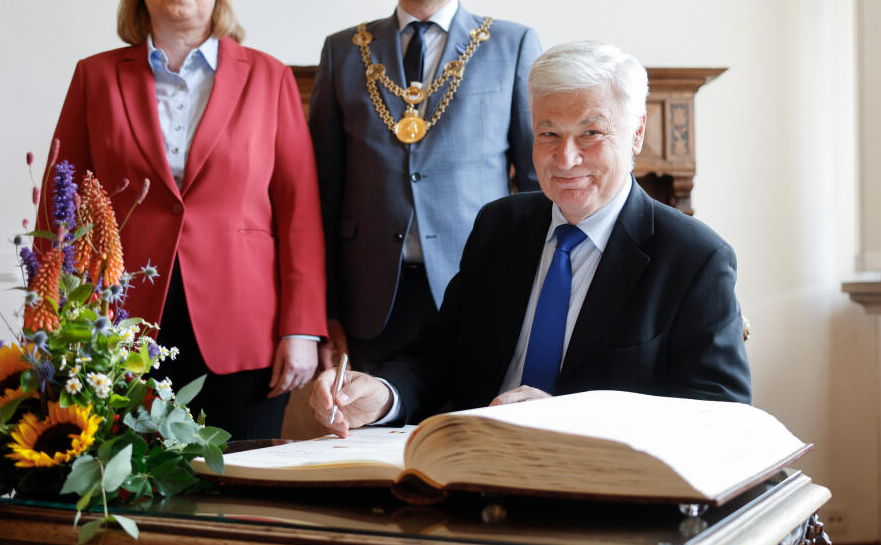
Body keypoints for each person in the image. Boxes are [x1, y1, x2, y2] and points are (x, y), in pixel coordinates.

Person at [311, 41, 751, 433]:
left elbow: (720, 416)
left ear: (636, 134)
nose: (566, 158)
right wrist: (384, 395)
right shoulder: (499, 227)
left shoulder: (694, 257)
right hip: (474, 475)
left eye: (591, 133)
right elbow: (441, 354)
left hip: (605, 494)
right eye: (548, 134)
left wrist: (570, 418)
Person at [44, 0, 326, 440]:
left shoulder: (270, 78)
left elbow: (300, 214)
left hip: (245, 329)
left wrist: (302, 328)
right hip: (120, 327)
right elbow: (61, 207)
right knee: (134, 491)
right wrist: (58, 319)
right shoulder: (95, 78)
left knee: (240, 492)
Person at [308, 0, 542, 373]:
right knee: (373, 441)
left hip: (479, 284)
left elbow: (538, 184)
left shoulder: (512, 45)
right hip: (370, 300)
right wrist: (324, 308)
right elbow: (323, 194)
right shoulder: (343, 52)